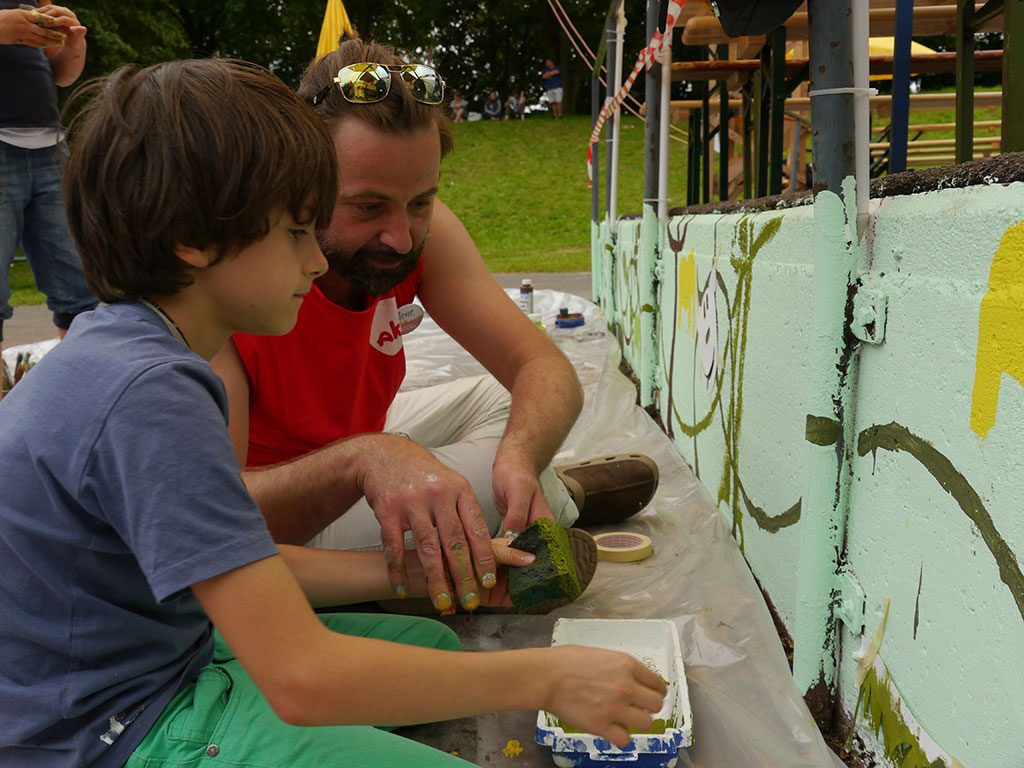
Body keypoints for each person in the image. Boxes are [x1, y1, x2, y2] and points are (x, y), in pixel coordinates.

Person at [0, 57, 667, 768]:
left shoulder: (138, 353)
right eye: (294, 232)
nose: (315, 263)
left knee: (437, 646)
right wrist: (549, 675)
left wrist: (418, 575)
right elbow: (302, 678)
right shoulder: (152, 394)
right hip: (115, 732)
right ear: (192, 242)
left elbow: (237, 564)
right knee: (393, 680)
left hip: (173, 655)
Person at [211, 37, 659, 617]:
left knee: (517, 415)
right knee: (457, 488)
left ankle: (526, 496)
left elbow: (541, 366)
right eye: (367, 207)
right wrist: (368, 459)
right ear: (298, 182)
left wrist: (518, 458)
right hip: (285, 515)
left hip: (360, 447)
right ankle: (548, 503)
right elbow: (215, 520)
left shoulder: (411, 232)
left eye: (421, 201)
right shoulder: (237, 282)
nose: (400, 237)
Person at [0, 0, 97, 395]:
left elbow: (63, 76)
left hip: (50, 149)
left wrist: (74, 42)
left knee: (79, 282)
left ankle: (81, 391)